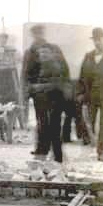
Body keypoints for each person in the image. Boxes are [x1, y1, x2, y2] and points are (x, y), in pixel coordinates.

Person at [22, 24, 71, 163]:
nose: (39, 36)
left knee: (53, 124)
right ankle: (43, 150)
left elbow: (64, 71)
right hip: (39, 95)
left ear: (43, 34)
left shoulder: (54, 49)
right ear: (33, 35)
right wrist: (28, 91)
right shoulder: (30, 51)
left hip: (54, 94)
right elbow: (26, 73)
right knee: (42, 122)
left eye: (40, 33)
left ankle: (55, 154)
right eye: (36, 34)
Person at [79, 27, 103, 162]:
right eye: (95, 40)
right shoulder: (88, 56)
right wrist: (81, 93)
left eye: (99, 40)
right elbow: (82, 76)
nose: (97, 43)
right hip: (91, 95)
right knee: (90, 123)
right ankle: (91, 145)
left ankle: (102, 152)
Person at [0, 33, 25, 129]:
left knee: (12, 98)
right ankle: (0, 122)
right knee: (0, 98)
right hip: (0, 76)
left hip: (10, 74)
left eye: (4, 39)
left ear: (7, 39)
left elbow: (20, 59)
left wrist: (13, 60)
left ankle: (13, 123)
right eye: (1, 38)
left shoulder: (13, 50)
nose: (2, 40)